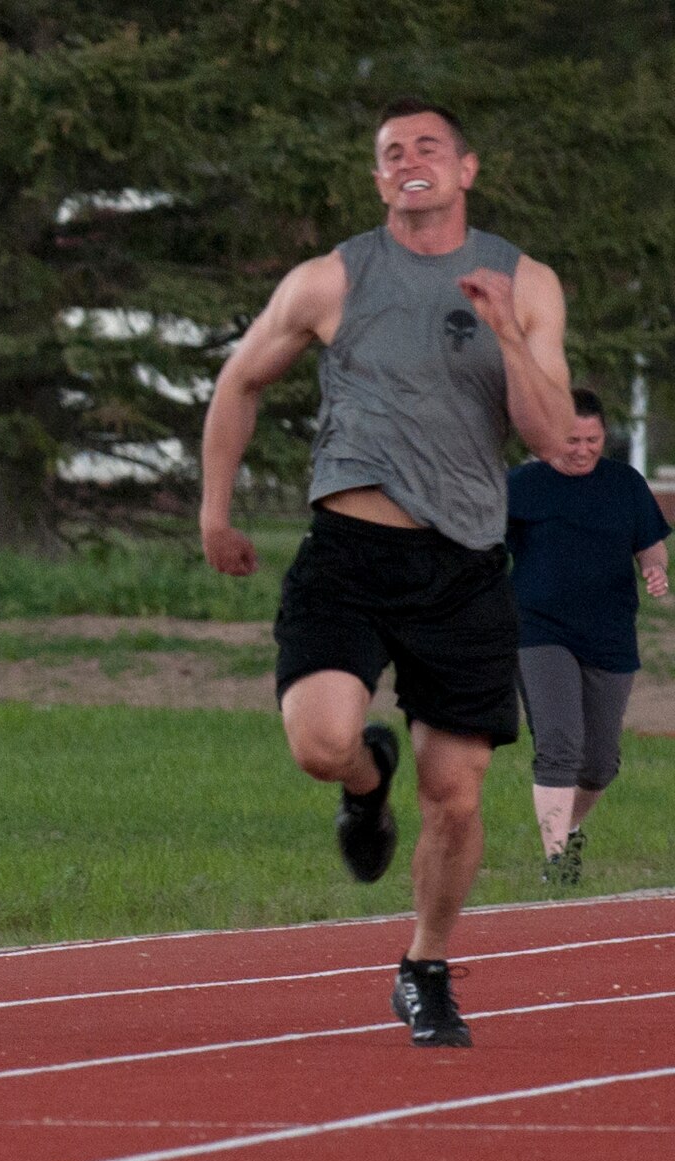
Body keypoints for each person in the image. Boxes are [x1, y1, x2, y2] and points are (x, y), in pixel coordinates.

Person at [199, 99, 574, 1047]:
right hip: (351, 555)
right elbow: (239, 380)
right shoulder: (332, 277)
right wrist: (215, 509)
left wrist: (505, 332)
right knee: (319, 740)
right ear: (378, 179)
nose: (410, 162)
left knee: (457, 793)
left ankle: (426, 965)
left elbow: (549, 433)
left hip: (464, 569)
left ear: (465, 169)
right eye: (390, 153)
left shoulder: (524, 280)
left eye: (428, 149)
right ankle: (365, 782)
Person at [506, 387, 671, 884]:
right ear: (549, 436)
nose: (581, 450)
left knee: (599, 764)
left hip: (610, 636)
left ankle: (570, 831)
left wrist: (655, 571)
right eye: (571, 440)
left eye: (592, 440)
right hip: (539, 632)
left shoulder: (625, 485)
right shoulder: (521, 486)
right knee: (559, 744)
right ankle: (556, 865)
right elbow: (481, 547)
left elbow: (651, 546)